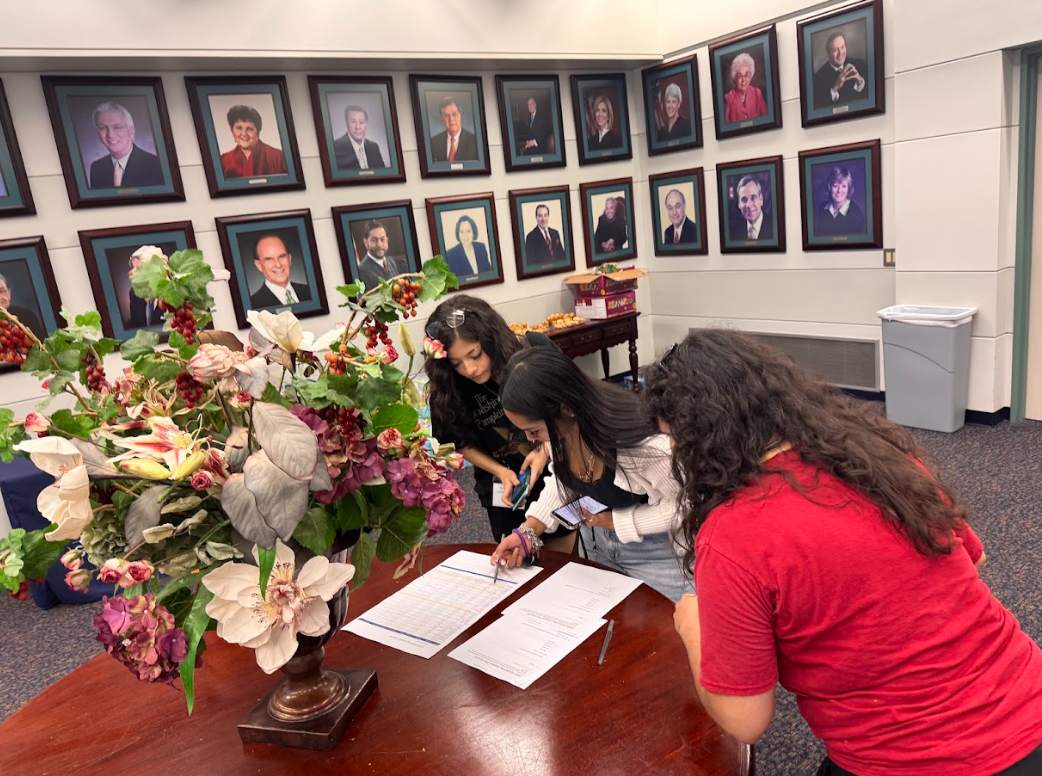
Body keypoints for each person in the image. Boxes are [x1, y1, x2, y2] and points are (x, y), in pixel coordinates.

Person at [644, 330, 1042, 775]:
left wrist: (694, 630)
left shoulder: (733, 534)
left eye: (675, 440)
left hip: (911, 762)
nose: (676, 452)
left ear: (703, 439)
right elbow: (974, 561)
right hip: (1030, 707)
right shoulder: (877, 458)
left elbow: (746, 721)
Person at [490, 346, 688, 602]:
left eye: (534, 430)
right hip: (597, 543)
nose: (530, 440)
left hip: (657, 550)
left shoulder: (644, 449)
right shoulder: (558, 432)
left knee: (665, 631)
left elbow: (688, 503)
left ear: (567, 409)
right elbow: (562, 478)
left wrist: (621, 523)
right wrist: (530, 529)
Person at [424, 295, 554, 540]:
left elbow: (562, 409)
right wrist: (500, 471)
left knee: (562, 560)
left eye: (475, 355)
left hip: (552, 473)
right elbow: (459, 443)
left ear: (490, 340)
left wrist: (544, 450)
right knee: (516, 560)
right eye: (457, 363)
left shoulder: (530, 353)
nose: (470, 369)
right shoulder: (448, 387)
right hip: (501, 487)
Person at [87, 101, 163, 189]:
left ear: (131, 131)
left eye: (117, 127)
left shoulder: (155, 165)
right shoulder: (97, 168)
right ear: (97, 133)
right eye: (102, 128)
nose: (110, 135)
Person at [220, 105, 287, 179]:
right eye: (239, 128)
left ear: (258, 132)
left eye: (249, 129)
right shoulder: (224, 160)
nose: (244, 134)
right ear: (232, 131)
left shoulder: (278, 157)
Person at [247, 234, 311, 310]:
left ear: (289, 259)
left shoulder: (309, 291)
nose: (278, 265)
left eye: (282, 256)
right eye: (269, 259)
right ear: (259, 265)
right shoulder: (253, 305)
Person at [813, 32, 868, 109]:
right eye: (835, 50)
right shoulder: (818, 78)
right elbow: (819, 107)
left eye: (842, 47)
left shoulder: (859, 64)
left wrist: (860, 80)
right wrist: (835, 88)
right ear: (828, 54)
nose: (840, 53)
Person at [356, 219, 409, 291]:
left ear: (387, 240)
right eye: (374, 240)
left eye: (382, 239)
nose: (379, 245)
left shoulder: (394, 262)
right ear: (365, 242)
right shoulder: (361, 272)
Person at [814, 166, 866, 237]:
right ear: (829, 187)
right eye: (835, 186)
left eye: (844, 186)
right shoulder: (822, 208)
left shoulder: (856, 213)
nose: (839, 190)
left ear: (849, 189)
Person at [332, 104, 386, 171]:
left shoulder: (374, 147)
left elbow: (382, 174)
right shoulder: (335, 148)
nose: (358, 127)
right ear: (346, 123)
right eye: (353, 122)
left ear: (366, 124)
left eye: (361, 122)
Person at [723, 53, 768, 124]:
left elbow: (766, 118)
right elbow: (726, 126)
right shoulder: (728, 98)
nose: (743, 80)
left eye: (747, 75)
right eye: (740, 76)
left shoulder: (757, 93)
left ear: (751, 76)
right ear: (734, 78)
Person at [125, 246, 163, 329]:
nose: (133, 274)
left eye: (139, 269)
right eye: (134, 269)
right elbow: (135, 323)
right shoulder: (134, 293)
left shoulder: (175, 295)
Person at [430, 96, 478, 163]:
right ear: (442, 119)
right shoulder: (433, 143)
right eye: (447, 115)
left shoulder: (475, 142)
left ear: (460, 115)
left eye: (454, 114)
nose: (451, 119)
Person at [0, 272, 45, 340]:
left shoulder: (27, 316)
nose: (0, 298)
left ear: (9, 293)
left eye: (2, 291)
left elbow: (42, 347)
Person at [731, 175, 773, 241]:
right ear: (739, 204)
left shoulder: (774, 226)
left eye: (753, 198)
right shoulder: (734, 231)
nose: (748, 205)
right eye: (744, 200)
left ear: (761, 199)